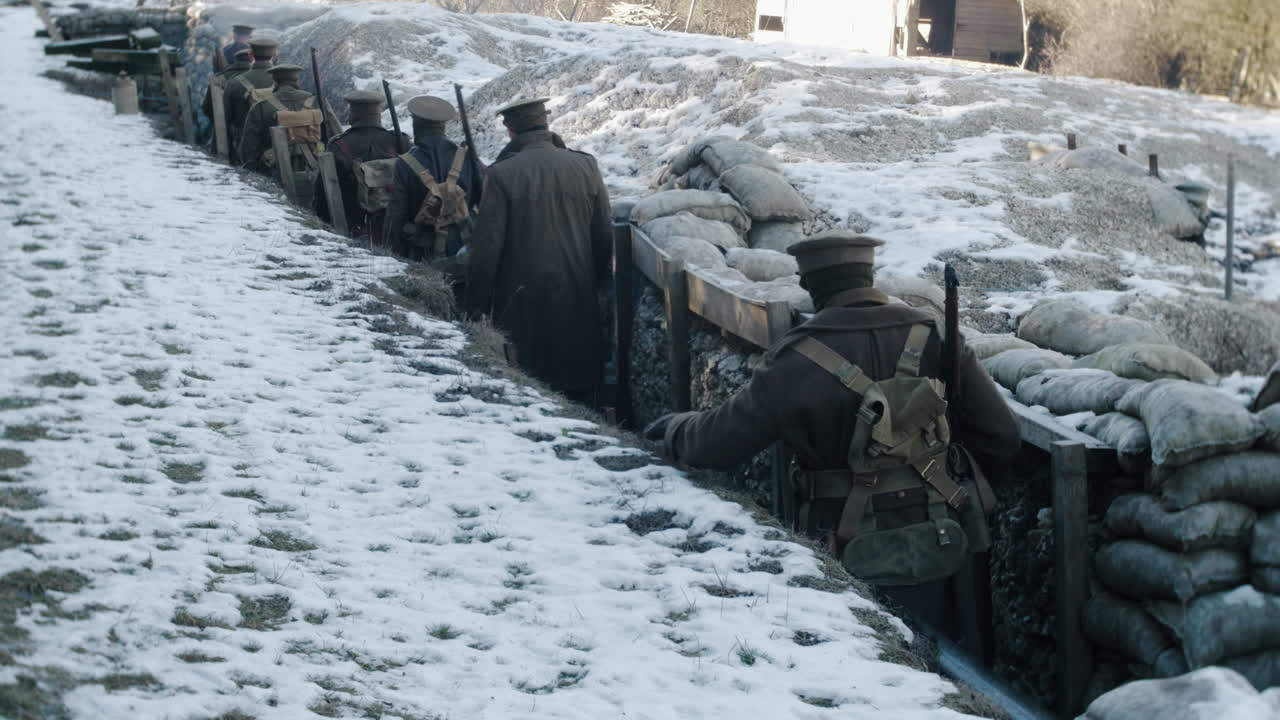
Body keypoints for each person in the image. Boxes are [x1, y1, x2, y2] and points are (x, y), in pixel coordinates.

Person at [644, 233, 1021, 654]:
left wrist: (674, 428)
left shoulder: (797, 357)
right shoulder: (931, 334)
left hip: (843, 545)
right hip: (945, 541)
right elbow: (1002, 435)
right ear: (868, 274)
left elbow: (718, 443)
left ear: (809, 286)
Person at [464, 98, 613, 405]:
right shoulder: (586, 165)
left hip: (522, 303)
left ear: (510, 131)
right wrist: (597, 284)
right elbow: (603, 236)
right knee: (581, 384)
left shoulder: (503, 173)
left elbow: (486, 250)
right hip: (578, 295)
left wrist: (474, 307)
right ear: (546, 124)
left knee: (533, 388)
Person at [383, 96, 482, 261]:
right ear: (443, 125)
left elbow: (396, 214)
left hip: (421, 252)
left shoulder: (405, 163)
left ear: (415, 124)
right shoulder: (466, 157)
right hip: (463, 248)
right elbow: (482, 200)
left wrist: (390, 253)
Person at [313, 89, 410, 244]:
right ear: (378, 115)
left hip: (354, 228)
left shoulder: (338, 145)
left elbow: (323, 195)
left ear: (353, 115)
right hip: (396, 228)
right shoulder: (401, 142)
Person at [237, 64, 323, 175]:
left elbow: (247, 152)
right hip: (315, 171)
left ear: (275, 82)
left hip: (274, 173)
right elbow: (330, 137)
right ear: (297, 81)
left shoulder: (260, 107)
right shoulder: (316, 102)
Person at [223, 36, 277, 164]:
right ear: (274, 56)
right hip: (278, 153)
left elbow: (225, 122)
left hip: (243, 155)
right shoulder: (282, 82)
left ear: (250, 56)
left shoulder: (234, 83)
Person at [201, 46, 252, 149]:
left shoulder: (219, 78)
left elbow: (207, 108)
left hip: (225, 138)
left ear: (235, 60)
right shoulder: (261, 77)